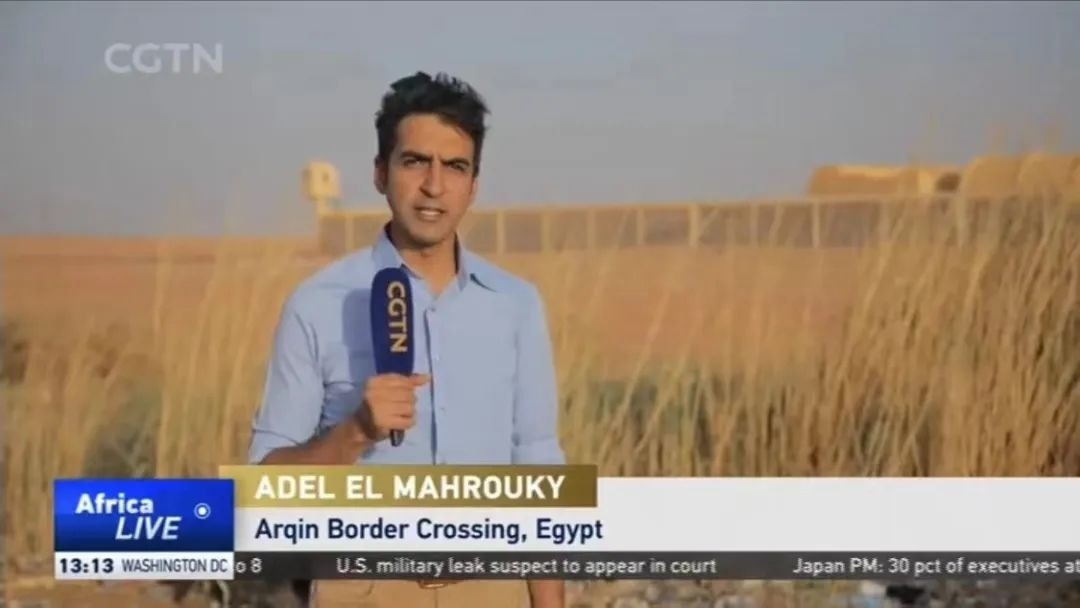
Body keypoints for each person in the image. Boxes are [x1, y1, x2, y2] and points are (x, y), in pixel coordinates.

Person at [247, 71, 566, 608]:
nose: (434, 186)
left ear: (473, 185)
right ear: (380, 172)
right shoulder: (316, 303)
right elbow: (263, 492)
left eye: (455, 166)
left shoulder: (516, 304)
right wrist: (356, 432)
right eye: (415, 161)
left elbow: (539, 472)